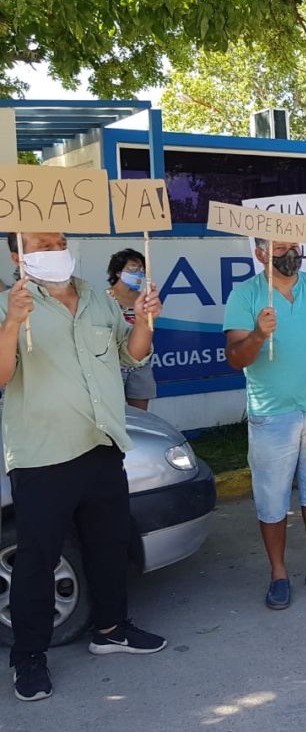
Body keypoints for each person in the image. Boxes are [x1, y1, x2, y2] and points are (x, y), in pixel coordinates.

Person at [1, 231, 167, 702]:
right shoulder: (9, 305)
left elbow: (129, 355)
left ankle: (111, 629)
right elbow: (2, 375)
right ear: (19, 254)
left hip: (100, 444)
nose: (54, 248)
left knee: (109, 545)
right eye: (40, 243)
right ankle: (29, 658)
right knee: (37, 559)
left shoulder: (96, 297)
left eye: (59, 240)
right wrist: (12, 323)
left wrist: (147, 322)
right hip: (43, 455)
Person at [223, 239, 306, 610]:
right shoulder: (245, 295)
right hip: (271, 413)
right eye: (279, 248)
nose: (289, 254)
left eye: (293, 246)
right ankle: (278, 574)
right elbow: (236, 358)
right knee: (272, 498)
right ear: (261, 253)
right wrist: (259, 335)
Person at [105, 248, 158, 410]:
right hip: (114, 365)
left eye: (141, 269)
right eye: (133, 268)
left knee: (141, 415)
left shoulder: (144, 299)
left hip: (140, 365)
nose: (139, 272)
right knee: (115, 413)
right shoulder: (103, 298)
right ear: (118, 272)